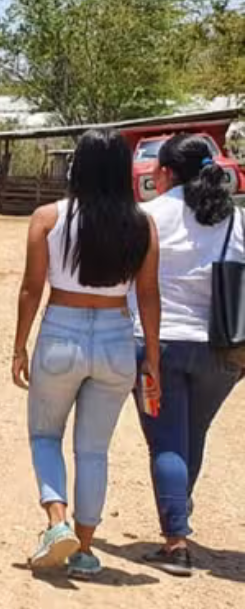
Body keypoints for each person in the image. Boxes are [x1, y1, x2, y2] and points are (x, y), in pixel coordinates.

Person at [10, 128, 161, 578]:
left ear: (78, 166)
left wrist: (19, 346)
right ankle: (86, 549)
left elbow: (31, 289)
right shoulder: (141, 224)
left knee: (44, 436)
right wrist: (151, 358)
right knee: (94, 450)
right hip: (117, 337)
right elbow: (149, 295)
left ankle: (57, 523)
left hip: (62, 332)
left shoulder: (48, 218)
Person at [130, 133, 243, 577]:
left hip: (159, 345)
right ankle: (178, 511)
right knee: (192, 435)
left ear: (166, 173)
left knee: (166, 440)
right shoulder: (235, 220)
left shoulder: (149, 217)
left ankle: (175, 540)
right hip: (222, 348)